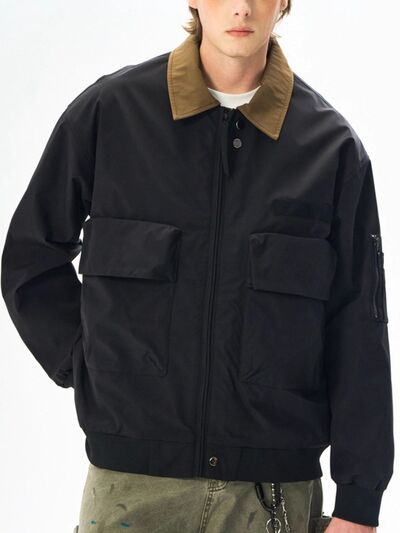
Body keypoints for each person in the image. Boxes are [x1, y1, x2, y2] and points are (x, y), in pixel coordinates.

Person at [1, 1, 394, 532]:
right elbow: (30, 258)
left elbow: (359, 326)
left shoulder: (330, 149)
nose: (241, 7)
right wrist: (86, 364)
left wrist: (359, 504)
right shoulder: (111, 114)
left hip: (272, 495)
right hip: (131, 491)